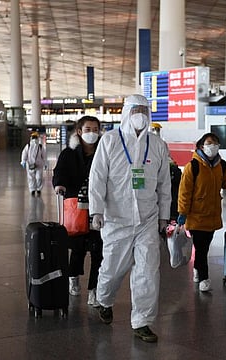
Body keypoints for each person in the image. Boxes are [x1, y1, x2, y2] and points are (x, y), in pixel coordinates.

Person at [88, 94, 171, 343]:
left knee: (148, 271)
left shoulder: (156, 144)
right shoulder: (110, 141)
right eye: (135, 110)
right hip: (116, 219)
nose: (140, 115)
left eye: (144, 110)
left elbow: (164, 184)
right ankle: (104, 300)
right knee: (113, 269)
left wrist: (164, 217)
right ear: (125, 112)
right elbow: (97, 177)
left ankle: (142, 322)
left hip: (147, 218)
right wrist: (97, 211)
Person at [177, 132, 226, 293]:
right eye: (209, 143)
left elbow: (225, 181)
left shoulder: (221, 165)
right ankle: (203, 278)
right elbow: (184, 192)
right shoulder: (193, 166)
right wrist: (182, 212)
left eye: (215, 143)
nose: (213, 146)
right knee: (200, 248)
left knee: (204, 247)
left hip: (213, 214)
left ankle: (197, 269)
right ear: (201, 146)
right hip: (196, 215)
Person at [52, 116, 103, 307]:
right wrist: (59, 185)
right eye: (88, 129)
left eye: (96, 129)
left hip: (99, 208)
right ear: (79, 132)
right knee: (77, 248)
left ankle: (94, 290)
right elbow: (59, 173)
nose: (92, 133)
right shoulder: (69, 154)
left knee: (99, 250)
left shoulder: (105, 152)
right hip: (76, 207)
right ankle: (73, 277)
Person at [20, 131, 46, 196]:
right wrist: (23, 161)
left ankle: (39, 189)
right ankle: (32, 190)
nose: (34, 139)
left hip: (39, 165)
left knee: (39, 177)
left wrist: (45, 164)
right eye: (33, 137)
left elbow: (44, 156)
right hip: (30, 165)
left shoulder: (40, 147)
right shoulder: (28, 146)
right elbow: (24, 154)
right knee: (31, 178)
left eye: (35, 137)